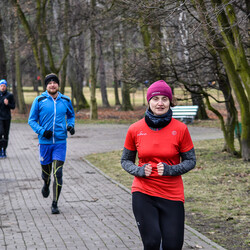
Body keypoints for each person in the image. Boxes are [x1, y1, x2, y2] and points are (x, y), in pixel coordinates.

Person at [121, 80, 196, 250]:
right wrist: (139, 170)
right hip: (144, 192)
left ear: (170, 102)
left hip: (172, 194)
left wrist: (171, 169)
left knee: (173, 246)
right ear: (149, 101)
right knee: (152, 243)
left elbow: (191, 160)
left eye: (164, 99)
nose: (160, 103)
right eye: (155, 99)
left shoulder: (181, 129)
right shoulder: (135, 129)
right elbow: (125, 160)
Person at [28, 73, 75, 214]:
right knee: (46, 173)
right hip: (45, 143)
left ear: (58, 85)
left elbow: (71, 115)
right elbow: (31, 120)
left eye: (55, 82)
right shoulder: (39, 100)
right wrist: (42, 131)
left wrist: (71, 125)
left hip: (60, 142)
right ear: (46, 86)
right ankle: (46, 183)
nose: (52, 84)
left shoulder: (65, 100)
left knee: (58, 173)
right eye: (49, 83)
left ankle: (55, 203)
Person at [0, 79, 15, 158]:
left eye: (4, 86)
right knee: (0, 133)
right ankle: (0, 150)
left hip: (7, 117)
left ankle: (4, 150)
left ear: (6, 87)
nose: (2, 87)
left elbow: (13, 106)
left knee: (6, 135)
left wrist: (7, 104)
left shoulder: (10, 95)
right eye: (1, 86)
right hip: (0, 118)